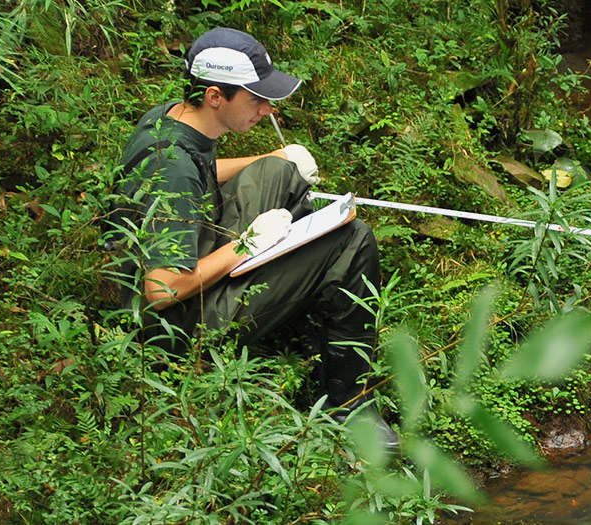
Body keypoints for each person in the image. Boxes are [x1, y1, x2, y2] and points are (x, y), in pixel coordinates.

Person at [108, 27, 385, 430]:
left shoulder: (176, 119)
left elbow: (200, 175)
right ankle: (348, 406)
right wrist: (247, 244)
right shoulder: (173, 169)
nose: (268, 111)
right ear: (215, 96)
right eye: (257, 99)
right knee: (352, 240)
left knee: (279, 173)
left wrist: (277, 155)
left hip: (178, 255)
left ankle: (305, 312)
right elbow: (162, 289)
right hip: (171, 327)